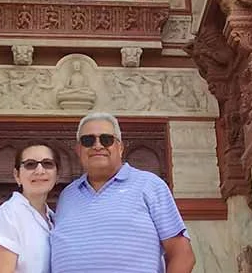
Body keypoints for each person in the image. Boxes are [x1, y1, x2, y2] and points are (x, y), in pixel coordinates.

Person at [50, 112, 195, 273]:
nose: (97, 146)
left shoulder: (150, 185)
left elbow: (182, 254)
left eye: (106, 139)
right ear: (78, 149)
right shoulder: (67, 195)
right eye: (88, 140)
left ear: (120, 147)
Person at [0, 143, 59, 273]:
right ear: (17, 175)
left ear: (57, 175)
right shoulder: (8, 217)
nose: (40, 171)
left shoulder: (54, 218)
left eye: (47, 164)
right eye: (30, 164)